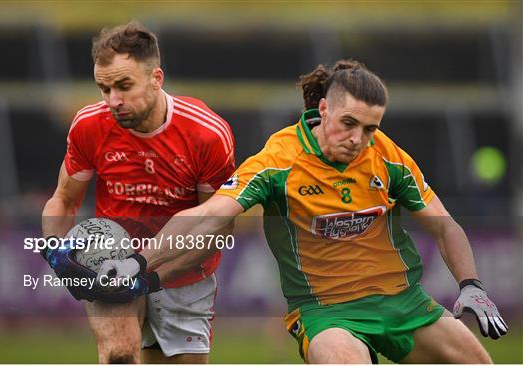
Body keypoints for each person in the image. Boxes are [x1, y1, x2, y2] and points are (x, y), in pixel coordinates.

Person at [99, 59, 508, 363]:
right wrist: (138, 262)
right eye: (349, 123)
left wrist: (471, 284)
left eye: (370, 129)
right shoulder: (280, 158)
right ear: (324, 109)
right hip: (326, 313)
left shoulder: (388, 156)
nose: (359, 139)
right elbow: (208, 215)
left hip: (404, 302)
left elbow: (445, 227)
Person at [41, 21, 235, 364]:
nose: (113, 100)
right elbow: (63, 199)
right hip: (110, 260)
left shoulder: (207, 133)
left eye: (123, 86)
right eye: (104, 89)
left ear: (156, 78)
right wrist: (55, 251)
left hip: (181, 270)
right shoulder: (89, 125)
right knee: (119, 356)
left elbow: (215, 230)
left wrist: (149, 275)